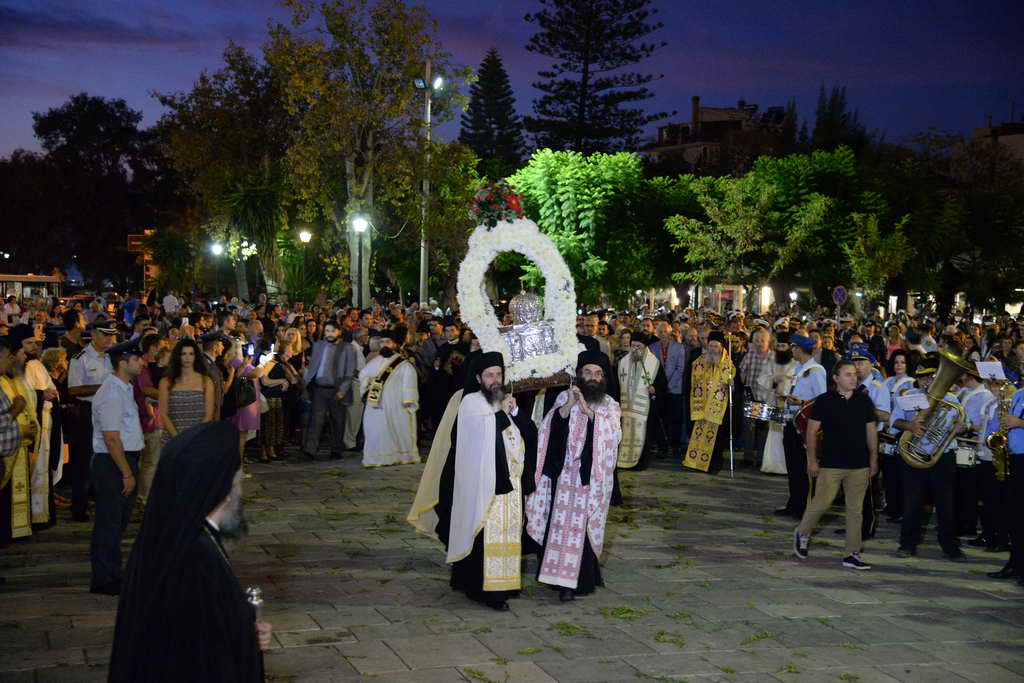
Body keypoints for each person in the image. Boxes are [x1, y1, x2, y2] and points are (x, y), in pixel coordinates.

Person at [109, 422, 271, 681]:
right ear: (220, 488)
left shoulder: (173, 538)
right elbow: (202, 656)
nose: (239, 491)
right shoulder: (194, 561)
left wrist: (247, 630)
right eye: (237, 480)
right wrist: (244, 634)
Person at [408, 351, 536, 611]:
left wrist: (516, 410)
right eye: (490, 375)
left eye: (499, 374)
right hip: (484, 484)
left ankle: (505, 585)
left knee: (507, 536)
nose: (495, 380)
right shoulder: (471, 402)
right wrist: (501, 412)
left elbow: (528, 433)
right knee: (483, 537)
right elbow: (479, 437)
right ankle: (483, 590)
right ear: (478, 378)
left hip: (510, 485)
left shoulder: (504, 400)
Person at [526, 351, 622, 602]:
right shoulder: (563, 396)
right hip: (563, 479)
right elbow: (548, 431)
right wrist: (568, 407)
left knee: (583, 530)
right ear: (579, 375)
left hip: (589, 480)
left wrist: (589, 412)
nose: (592, 378)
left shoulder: (610, 404)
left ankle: (579, 581)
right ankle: (556, 579)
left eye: (598, 374)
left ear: (604, 378)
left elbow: (612, 437)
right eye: (587, 372)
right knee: (558, 529)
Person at [792, 359, 878, 570]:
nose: (853, 378)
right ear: (836, 378)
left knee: (855, 510)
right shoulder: (824, 400)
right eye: (848, 374)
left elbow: (871, 431)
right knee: (822, 502)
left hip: (859, 464)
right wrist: (812, 460)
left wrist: (874, 458)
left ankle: (852, 553)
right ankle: (802, 533)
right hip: (831, 463)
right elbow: (811, 431)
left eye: (855, 375)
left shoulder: (864, 401)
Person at [890, 353, 966, 561]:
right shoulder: (908, 396)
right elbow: (894, 421)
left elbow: (959, 425)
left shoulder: (951, 400)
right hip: (912, 456)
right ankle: (907, 544)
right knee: (912, 503)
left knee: (946, 504)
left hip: (942, 458)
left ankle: (951, 546)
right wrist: (909, 425)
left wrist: (961, 428)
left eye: (932, 377)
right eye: (923, 377)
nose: (928, 381)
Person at [89, 337, 145, 595]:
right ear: (123, 363)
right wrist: (126, 473)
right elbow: (111, 439)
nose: (142, 362)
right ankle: (105, 577)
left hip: (124, 460)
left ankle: (112, 572)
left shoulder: (124, 387)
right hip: (113, 463)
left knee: (117, 522)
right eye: (137, 359)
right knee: (109, 522)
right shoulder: (112, 392)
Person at [67, 322, 116, 522]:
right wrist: (103, 387)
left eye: (111, 336)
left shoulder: (112, 357)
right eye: (105, 335)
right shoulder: (81, 358)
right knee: (83, 461)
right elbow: (74, 390)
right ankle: (79, 506)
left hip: (109, 412)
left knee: (106, 458)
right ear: (94, 335)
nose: (109, 339)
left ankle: (99, 499)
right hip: (88, 412)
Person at [775, 333, 827, 519]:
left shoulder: (816, 370)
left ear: (799, 349)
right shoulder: (798, 368)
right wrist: (788, 398)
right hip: (793, 421)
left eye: (794, 347)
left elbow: (822, 399)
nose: (792, 350)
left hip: (806, 426)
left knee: (801, 466)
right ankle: (794, 502)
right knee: (793, 466)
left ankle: (804, 506)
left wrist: (801, 402)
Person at [0, 334, 40, 544]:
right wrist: (20, 424)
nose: (16, 360)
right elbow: (6, 415)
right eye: (14, 356)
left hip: (17, 443)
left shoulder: (16, 379)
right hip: (9, 446)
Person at [359, 334, 420, 467]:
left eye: (388, 341)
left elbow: (409, 378)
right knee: (376, 429)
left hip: (397, 404)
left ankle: (401, 456)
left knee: (398, 428)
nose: (384, 344)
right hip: (377, 403)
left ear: (394, 344)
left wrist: (409, 398)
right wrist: (367, 381)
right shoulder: (374, 361)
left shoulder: (402, 362)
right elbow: (362, 375)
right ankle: (377, 457)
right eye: (382, 342)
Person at [302, 321, 357, 460]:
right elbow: (313, 365)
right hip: (320, 387)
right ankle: (310, 449)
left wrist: (343, 390)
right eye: (327, 331)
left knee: (337, 420)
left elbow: (350, 371)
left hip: (337, 388)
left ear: (339, 331)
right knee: (316, 420)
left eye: (332, 331)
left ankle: (336, 449)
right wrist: (308, 382)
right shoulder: (318, 345)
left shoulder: (348, 348)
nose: (329, 334)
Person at [682, 331, 736, 474]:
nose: (713, 349)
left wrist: (732, 383)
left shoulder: (729, 364)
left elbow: (737, 387)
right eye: (711, 346)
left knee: (717, 440)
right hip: (700, 406)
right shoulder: (698, 361)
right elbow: (689, 380)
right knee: (698, 435)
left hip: (718, 410)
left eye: (716, 346)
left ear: (721, 347)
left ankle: (713, 466)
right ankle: (695, 463)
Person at [616, 331, 664, 470]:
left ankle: (640, 463)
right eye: (633, 346)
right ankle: (623, 460)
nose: (635, 349)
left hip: (644, 408)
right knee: (624, 432)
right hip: (626, 407)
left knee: (643, 434)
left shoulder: (653, 363)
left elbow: (662, 385)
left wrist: (655, 389)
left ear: (644, 347)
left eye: (638, 347)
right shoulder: (622, 362)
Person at [159, 339, 215, 446]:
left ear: (196, 356)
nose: (187, 357)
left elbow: (208, 415)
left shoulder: (206, 381)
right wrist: (178, 438)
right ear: (178, 356)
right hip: (171, 441)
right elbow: (163, 414)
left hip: (198, 440)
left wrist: (192, 438)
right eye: (183, 354)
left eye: (191, 354)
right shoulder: (166, 382)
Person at [649, 321, 688, 457]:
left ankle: (676, 446)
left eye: (665, 331)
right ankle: (662, 447)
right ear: (657, 333)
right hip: (659, 391)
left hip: (674, 389)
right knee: (661, 418)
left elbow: (680, 369)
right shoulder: (652, 348)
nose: (663, 334)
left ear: (670, 333)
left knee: (675, 419)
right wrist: (660, 387)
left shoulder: (679, 347)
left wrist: (668, 386)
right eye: (660, 332)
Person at [739, 327, 775, 468]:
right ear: (752, 342)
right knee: (748, 427)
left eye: (762, 341)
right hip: (750, 395)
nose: (759, 343)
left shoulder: (773, 357)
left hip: (765, 397)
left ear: (768, 342)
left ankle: (761, 458)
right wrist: (743, 380)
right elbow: (742, 371)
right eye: (757, 341)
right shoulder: (749, 355)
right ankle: (748, 457)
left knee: (763, 429)